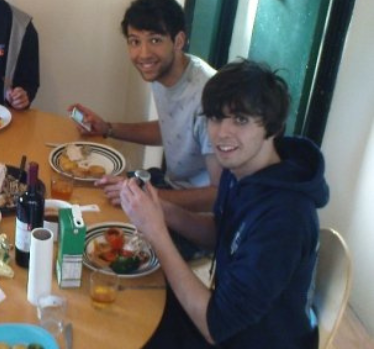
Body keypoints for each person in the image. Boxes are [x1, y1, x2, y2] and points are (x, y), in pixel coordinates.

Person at [120, 59, 328, 348]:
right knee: (129, 299)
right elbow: (222, 233)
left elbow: (215, 327)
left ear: (272, 127)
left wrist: (156, 233)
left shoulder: (284, 219)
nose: (222, 133)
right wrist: (164, 211)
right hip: (230, 321)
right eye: (215, 117)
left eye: (240, 119)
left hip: (249, 338)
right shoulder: (243, 171)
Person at [70, 0, 220, 212]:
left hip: (198, 217)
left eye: (155, 40)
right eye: (135, 41)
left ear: (178, 41)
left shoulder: (209, 99)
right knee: (85, 190)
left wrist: (146, 196)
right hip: (168, 186)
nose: (143, 53)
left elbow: (219, 194)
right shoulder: (163, 72)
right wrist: (107, 128)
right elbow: (172, 129)